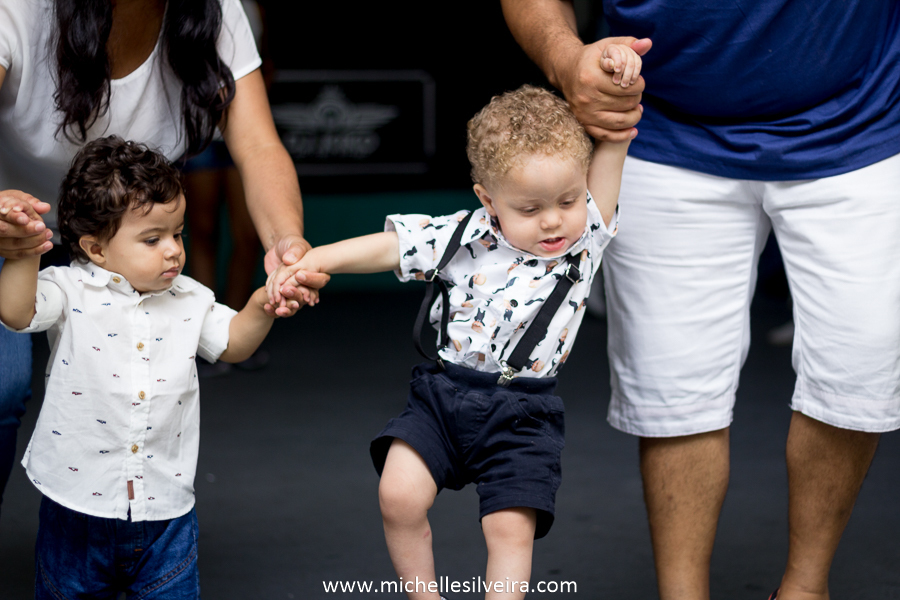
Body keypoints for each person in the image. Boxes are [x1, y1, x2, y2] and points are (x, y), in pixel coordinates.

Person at [500, 2, 900, 599]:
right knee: (672, 384)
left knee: (858, 366)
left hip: (862, 119)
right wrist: (564, 58)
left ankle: (805, 589)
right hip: (661, 126)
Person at [270, 76, 637, 600]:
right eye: (530, 210)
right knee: (398, 495)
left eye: (568, 199)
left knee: (509, 529)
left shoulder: (585, 241)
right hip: (442, 397)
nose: (554, 220)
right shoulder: (463, 235)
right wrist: (315, 260)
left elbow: (615, 142)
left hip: (522, 413)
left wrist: (620, 102)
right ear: (488, 200)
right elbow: (388, 249)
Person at [0, 0, 325, 513]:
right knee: (3, 384)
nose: (178, 252)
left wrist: (286, 241)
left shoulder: (214, 10)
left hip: (129, 232)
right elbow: (18, 312)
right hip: (15, 217)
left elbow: (259, 145)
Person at [0, 136, 304, 597]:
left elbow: (232, 344)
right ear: (96, 249)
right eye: (152, 239)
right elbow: (17, 312)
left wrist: (261, 306)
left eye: (177, 233)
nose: (172, 251)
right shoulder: (69, 288)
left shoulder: (191, 297)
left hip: (165, 509)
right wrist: (24, 254)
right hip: (76, 507)